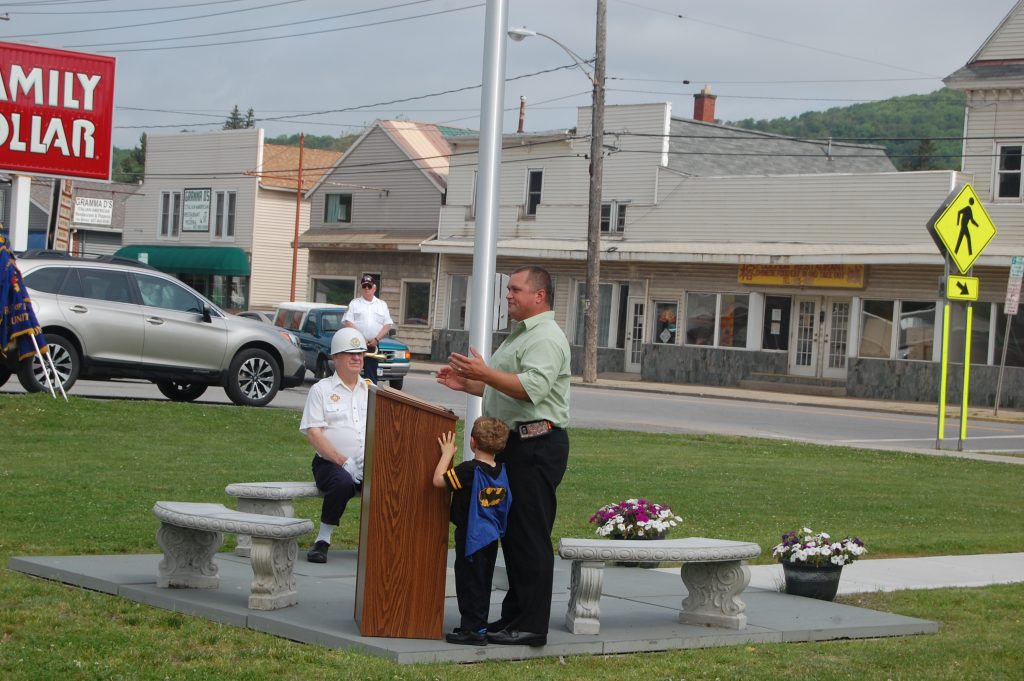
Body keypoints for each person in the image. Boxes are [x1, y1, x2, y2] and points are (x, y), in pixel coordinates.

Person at [435, 265, 571, 648]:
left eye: (515, 289)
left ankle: (531, 625)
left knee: (528, 536)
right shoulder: (521, 335)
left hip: (536, 445)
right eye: (508, 289)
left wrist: (485, 373)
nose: (508, 295)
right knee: (513, 536)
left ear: (539, 296)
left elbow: (531, 389)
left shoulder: (545, 337)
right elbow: (509, 389)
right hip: (516, 444)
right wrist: (471, 383)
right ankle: (514, 617)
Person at [432, 417, 512, 646]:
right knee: (482, 582)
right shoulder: (500, 469)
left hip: (471, 536)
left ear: (472, 442)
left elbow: (438, 481)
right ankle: (476, 625)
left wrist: (447, 453)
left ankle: (474, 631)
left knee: (469, 583)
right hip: (490, 536)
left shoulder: (469, 470)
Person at [299, 327, 370, 564]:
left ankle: (378, 541)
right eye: (351, 353)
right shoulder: (322, 390)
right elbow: (313, 433)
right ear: (336, 358)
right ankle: (323, 540)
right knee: (342, 482)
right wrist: (343, 461)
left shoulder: (371, 390)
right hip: (330, 463)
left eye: (360, 353)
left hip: (367, 462)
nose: (357, 358)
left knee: (392, 482)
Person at [343, 275, 393, 384]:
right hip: (356, 344)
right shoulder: (354, 303)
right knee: (353, 373)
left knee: (371, 377)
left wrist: (376, 339)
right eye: (364, 286)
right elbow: (348, 322)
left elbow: (387, 325)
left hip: (373, 346)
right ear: (361, 288)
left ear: (374, 288)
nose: (366, 288)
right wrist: (361, 338)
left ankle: (369, 394)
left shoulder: (382, 305)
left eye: (369, 286)